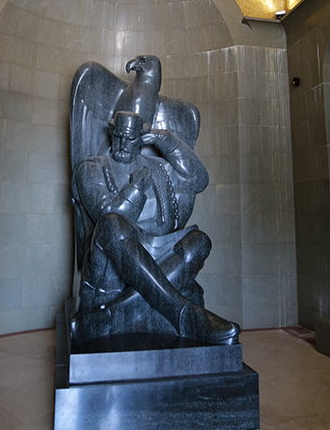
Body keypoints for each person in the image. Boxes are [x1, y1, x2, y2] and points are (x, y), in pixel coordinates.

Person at [71, 110, 240, 345]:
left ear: (141, 138)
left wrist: (166, 139)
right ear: (111, 134)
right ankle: (184, 315)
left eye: (129, 138)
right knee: (111, 224)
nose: (121, 144)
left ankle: (113, 316)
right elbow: (108, 217)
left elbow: (198, 179)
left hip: (158, 251)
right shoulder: (91, 169)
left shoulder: (158, 167)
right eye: (117, 136)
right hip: (115, 257)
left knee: (199, 242)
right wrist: (136, 189)